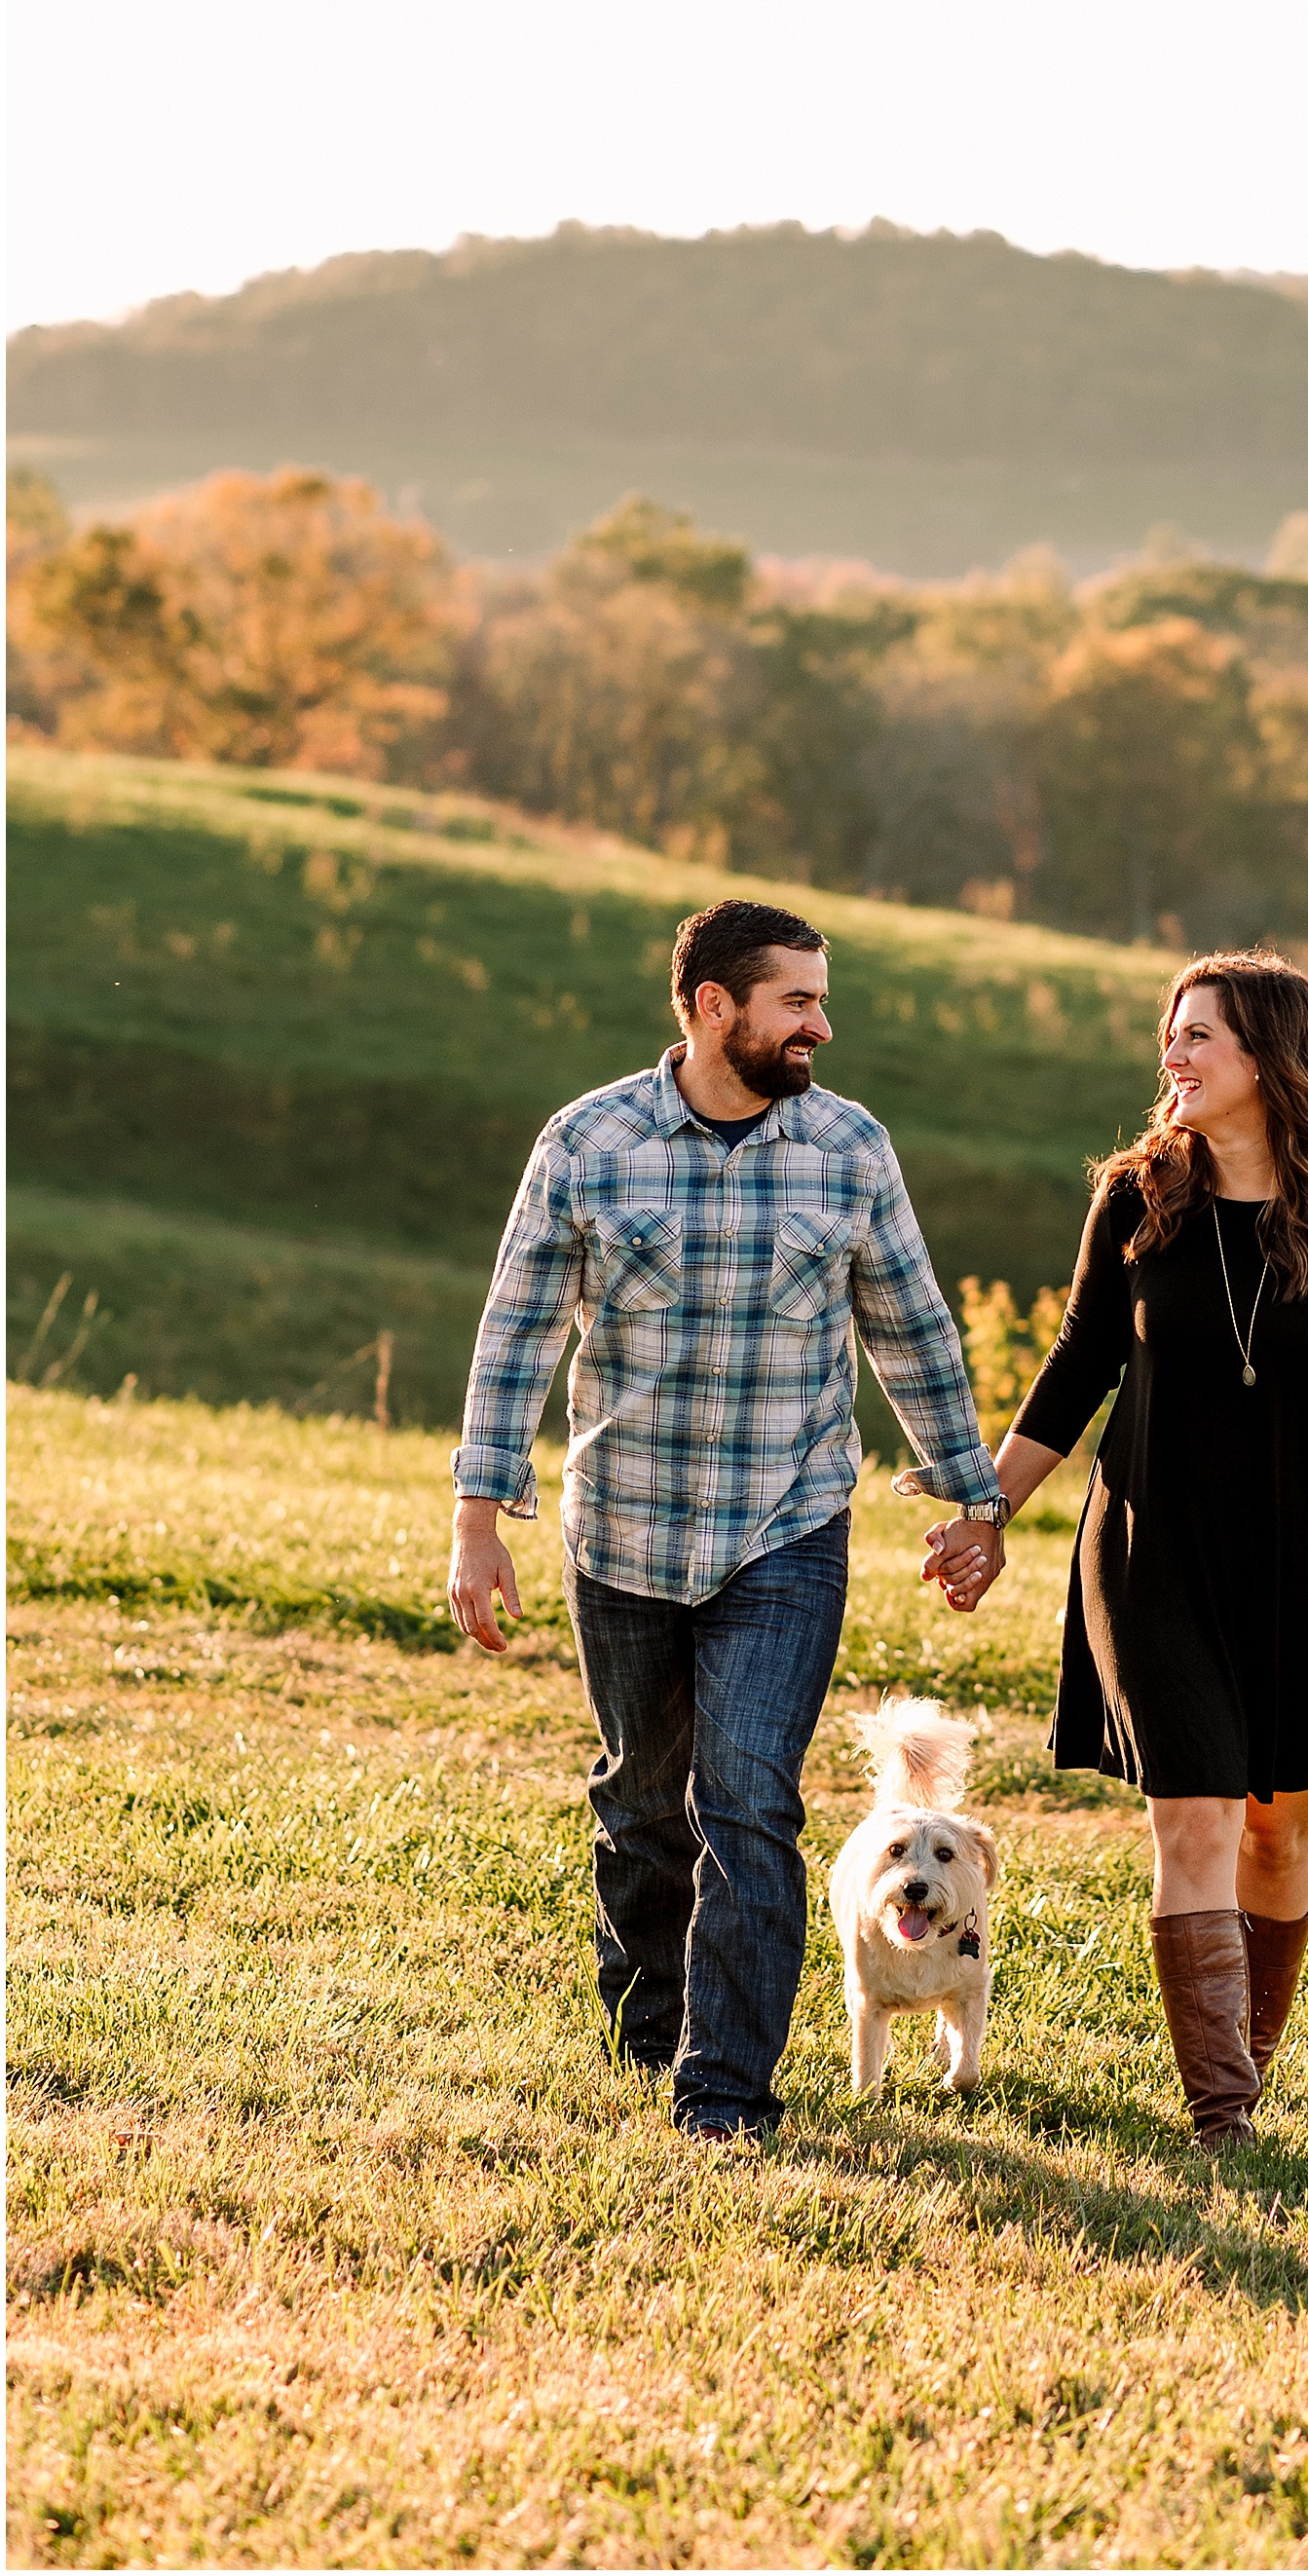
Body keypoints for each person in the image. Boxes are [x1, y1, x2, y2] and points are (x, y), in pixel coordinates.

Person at [449, 897, 1008, 2143]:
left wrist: (971, 1496)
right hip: (626, 1530)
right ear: (714, 1006)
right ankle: (652, 2036)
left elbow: (911, 1331)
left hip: (787, 1527)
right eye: (796, 1000)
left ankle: (724, 2094)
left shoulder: (849, 1149)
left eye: (819, 996)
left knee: (749, 1799)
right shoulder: (588, 1143)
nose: (821, 1021)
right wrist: (478, 1517)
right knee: (646, 1802)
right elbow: (515, 1336)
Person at [924, 949, 1308, 2152]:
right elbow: (1076, 1367)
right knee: (1195, 1814)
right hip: (1152, 1550)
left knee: (1277, 1825)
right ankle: (1222, 2119)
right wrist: (987, 1508)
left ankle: (1243, 2060)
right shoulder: (1137, 1196)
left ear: (1271, 1057)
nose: (1175, 1054)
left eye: (1200, 1034)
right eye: (1172, 1032)